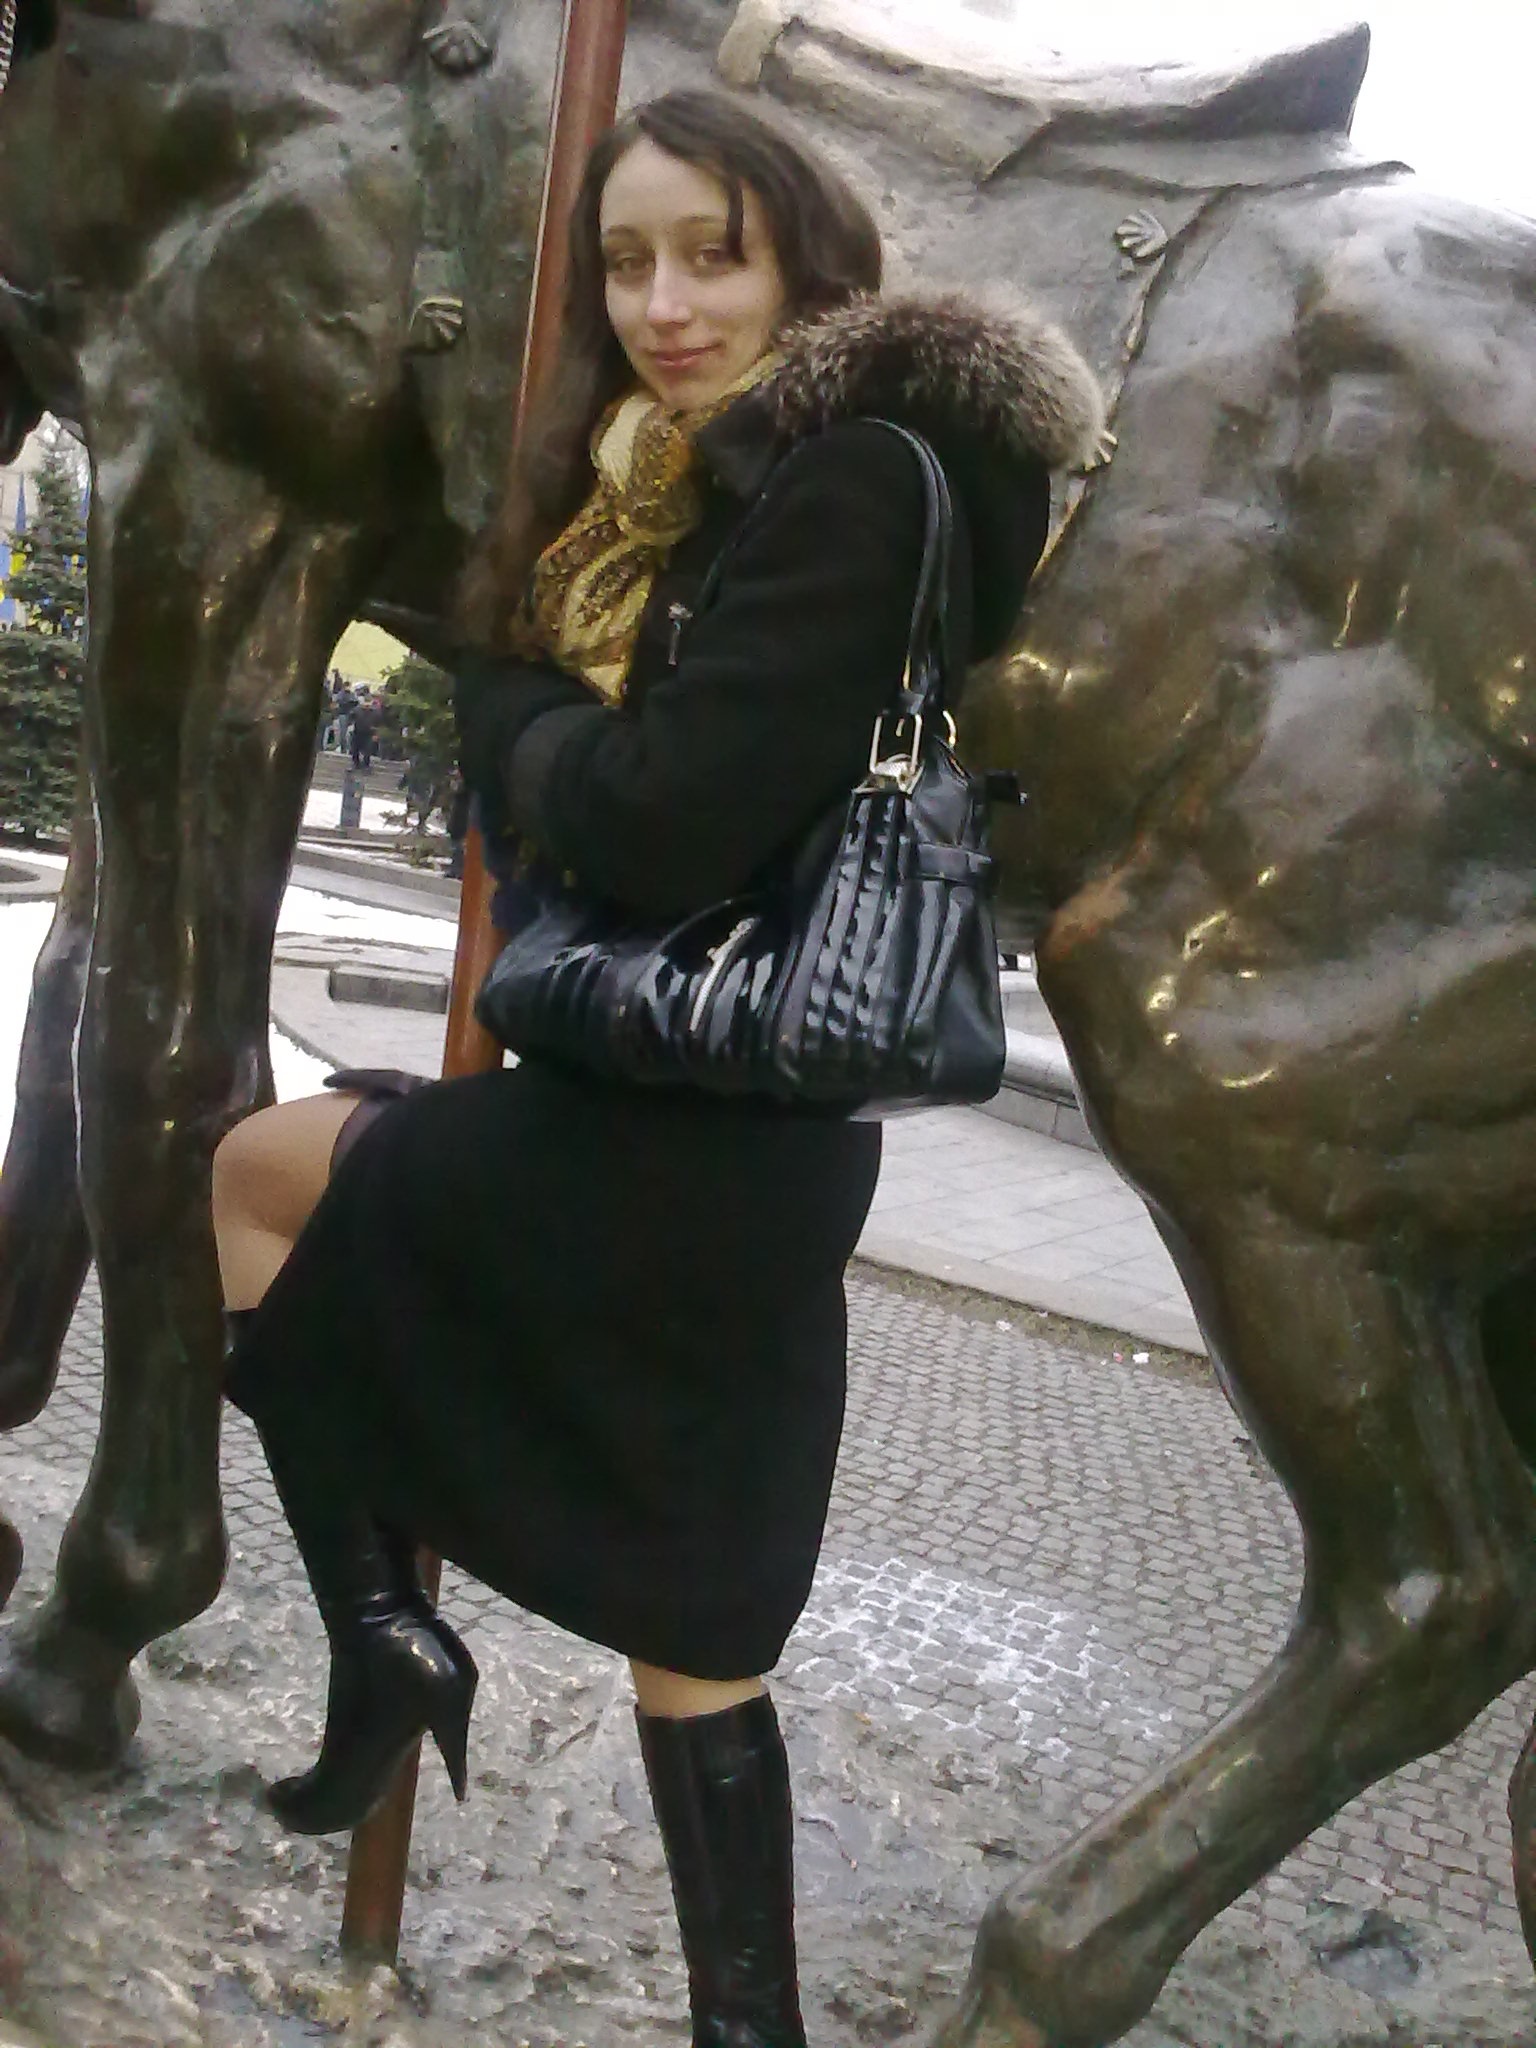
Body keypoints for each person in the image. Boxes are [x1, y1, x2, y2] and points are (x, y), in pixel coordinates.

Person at [212, 87, 1100, 2043]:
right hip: (755, 1129)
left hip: (679, 1122)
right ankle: (742, 2022)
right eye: (625, 264)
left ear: (808, 262)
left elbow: (662, 817)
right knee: (698, 1612)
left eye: (714, 254)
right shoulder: (735, 483)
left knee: (257, 1179)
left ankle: (380, 1634)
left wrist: (502, 694)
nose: (664, 303)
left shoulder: (849, 480)